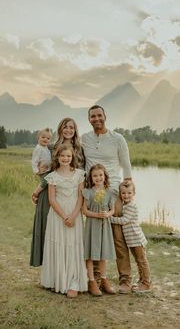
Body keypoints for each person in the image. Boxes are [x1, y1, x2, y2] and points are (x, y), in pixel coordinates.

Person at [81, 105, 133, 294]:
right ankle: (95, 279)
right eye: (92, 116)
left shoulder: (118, 139)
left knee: (118, 238)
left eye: (99, 115)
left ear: (105, 116)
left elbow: (127, 167)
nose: (96, 119)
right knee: (94, 237)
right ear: (89, 119)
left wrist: (127, 194)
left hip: (113, 193)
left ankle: (125, 279)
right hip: (93, 195)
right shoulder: (85, 139)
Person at [30, 117, 84, 267]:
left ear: (75, 130)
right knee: (48, 229)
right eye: (65, 127)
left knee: (68, 233)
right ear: (60, 129)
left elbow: (83, 173)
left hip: (72, 196)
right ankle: (51, 268)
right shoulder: (51, 146)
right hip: (50, 192)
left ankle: (68, 269)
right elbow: (48, 170)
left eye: (71, 127)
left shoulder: (80, 148)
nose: (68, 130)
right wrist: (39, 186)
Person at [40, 144, 87, 297]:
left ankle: (73, 282)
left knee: (73, 246)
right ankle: (58, 280)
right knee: (58, 244)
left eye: (68, 156)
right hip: (57, 216)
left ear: (72, 157)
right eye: (62, 156)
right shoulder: (52, 176)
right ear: (57, 158)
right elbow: (52, 200)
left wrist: (73, 216)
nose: (65, 158)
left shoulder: (79, 174)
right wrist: (64, 216)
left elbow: (81, 197)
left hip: (74, 214)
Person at [110, 180, 151, 293]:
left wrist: (110, 218)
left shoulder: (131, 206)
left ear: (134, 193)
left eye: (129, 193)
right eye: (123, 193)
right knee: (138, 261)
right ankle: (141, 280)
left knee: (141, 260)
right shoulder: (125, 205)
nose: (126, 195)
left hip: (136, 239)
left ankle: (146, 283)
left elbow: (124, 220)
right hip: (131, 240)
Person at [82, 164, 116, 296]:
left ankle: (104, 280)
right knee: (90, 254)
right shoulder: (88, 192)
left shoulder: (109, 192)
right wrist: (96, 215)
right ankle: (91, 281)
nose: (98, 178)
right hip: (92, 225)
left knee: (103, 254)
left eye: (100, 175)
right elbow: (84, 210)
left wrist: (107, 214)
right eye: (95, 176)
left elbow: (112, 209)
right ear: (91, 177)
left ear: (105, 176)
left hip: (104, 226)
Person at [31, 128, 52, 205]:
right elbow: (34, 160)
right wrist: (36, 170)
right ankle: (35, 194)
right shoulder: (38, 148)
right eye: (43, 137)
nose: (45, 139)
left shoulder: (46, 148)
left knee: (47, 183)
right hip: (42, 170)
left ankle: (39, 196)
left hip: (48, 169)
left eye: (48, 138)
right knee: (45, 181)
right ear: (38, 138)